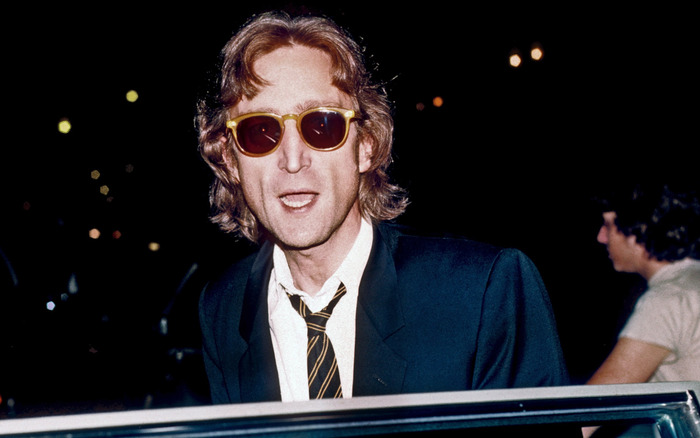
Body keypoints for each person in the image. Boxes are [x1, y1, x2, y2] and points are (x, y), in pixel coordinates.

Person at [195, 10, 570, 405]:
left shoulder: (482, 292)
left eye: (322, 125)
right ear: (230, 159)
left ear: (367, 145)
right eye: (260, 131)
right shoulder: (223, 307)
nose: (292, 159)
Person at [583, 182, 700, 438]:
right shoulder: (693, 282)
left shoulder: (668, 299)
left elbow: (591, 409)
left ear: (640, 229)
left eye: (608, 225)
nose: (600, 237)